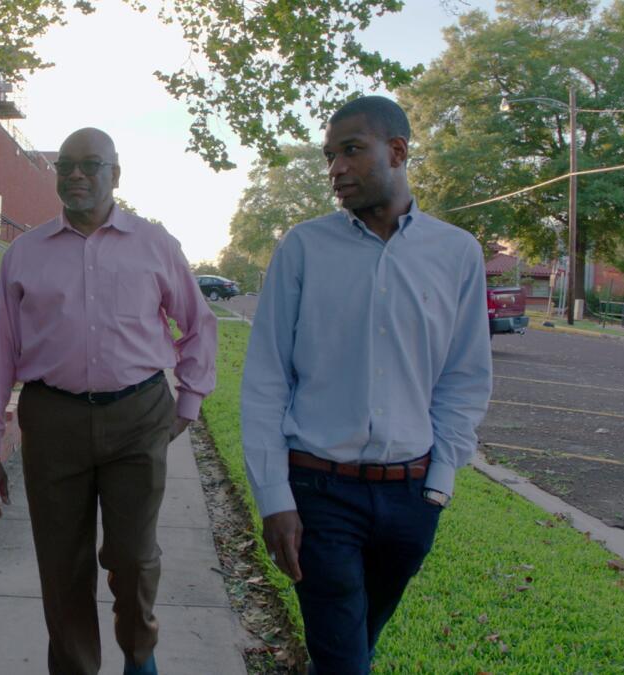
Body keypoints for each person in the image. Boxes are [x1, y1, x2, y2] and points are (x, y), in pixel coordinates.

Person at [240, 96, 493, 674]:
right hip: (320, 493)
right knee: (343, 658)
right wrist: (275, 498)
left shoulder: (457, 253)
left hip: (411, 497)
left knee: (358, 643)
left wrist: (438, 488)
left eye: (351, 150)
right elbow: (266, 379)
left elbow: (463, 378)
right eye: (330, 156)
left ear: (398, 151)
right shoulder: (303, 247)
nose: (335, 169)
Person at [0, 128, 217, 675]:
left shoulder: (155, 244)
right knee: (62, 563)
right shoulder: (25, 253)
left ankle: (139, 654)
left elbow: (198, 324)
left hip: (138, 415)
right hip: (52, 419)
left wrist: (190, 400)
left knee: (132, 557)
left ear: (115, 174)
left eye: (90, 164)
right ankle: (75, 667)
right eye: (66, 166)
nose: (76, 175)